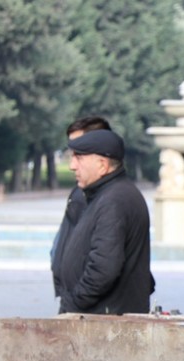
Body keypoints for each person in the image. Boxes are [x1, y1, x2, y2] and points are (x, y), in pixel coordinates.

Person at [54, 129, 154, 315]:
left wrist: (74, 304)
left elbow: (104, 269)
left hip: (104, 321)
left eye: (79, 158)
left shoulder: (114, 200)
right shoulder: (106, 195)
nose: (72, 166)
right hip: (99, 316)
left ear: (102, 165)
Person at [51, 116, 111, 299]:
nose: (72, 164)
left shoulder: (107, 199)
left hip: (83, 302)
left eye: (79, 153)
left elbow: (103, 263)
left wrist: (77, 299)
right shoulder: (82, 193)